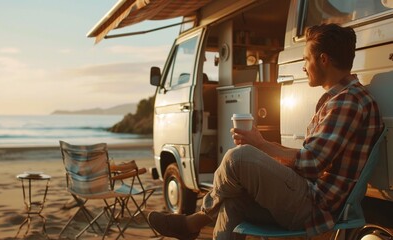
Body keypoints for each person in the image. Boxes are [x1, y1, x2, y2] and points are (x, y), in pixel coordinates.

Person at [148, 23, 384, 240]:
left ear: (323, 59)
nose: (303, 67)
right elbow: (309, 156)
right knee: (233, 203)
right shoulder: (341, 98)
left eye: (306, 59)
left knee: (237, 157)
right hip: (306, 195)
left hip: (314, 206)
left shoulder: (348, 101)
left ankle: (193, 222)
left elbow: (311, 164)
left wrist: (260, 146)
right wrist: (261, 143)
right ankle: (192, 223)